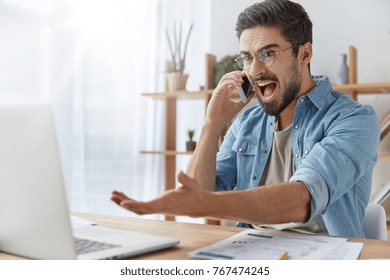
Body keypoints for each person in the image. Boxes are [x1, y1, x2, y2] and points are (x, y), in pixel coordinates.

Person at [111, 0, 380, 238]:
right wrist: (211, 124)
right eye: (247, 58)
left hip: (324, 260)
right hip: (252, 251)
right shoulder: (247, 122)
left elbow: (303, 199)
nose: (255, 70)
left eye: (268, 54)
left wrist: (205, 203)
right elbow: (204, 192)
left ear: (305, 54)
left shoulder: (353, 120)